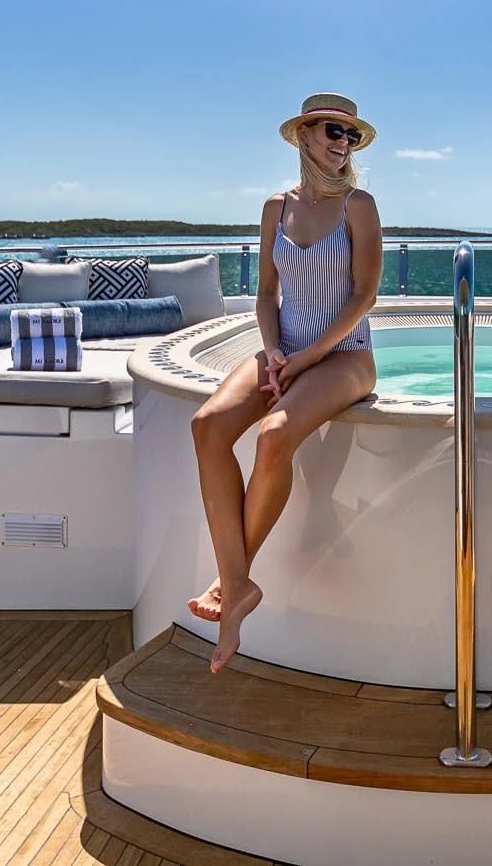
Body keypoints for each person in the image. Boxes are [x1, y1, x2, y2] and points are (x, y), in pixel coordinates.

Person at [187, 92, 383, 673]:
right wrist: (276, 351)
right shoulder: (276, 207)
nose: (341, 143)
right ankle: (238, 585)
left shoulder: (360, 205)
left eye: (350, 135)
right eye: (331, 130)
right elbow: (267, 294)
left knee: (273, 436)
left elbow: (363, 295)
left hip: (344, 355)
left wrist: (306, 360)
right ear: (303, 134)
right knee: (207, 426)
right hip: (285, 350)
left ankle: (227, 590)